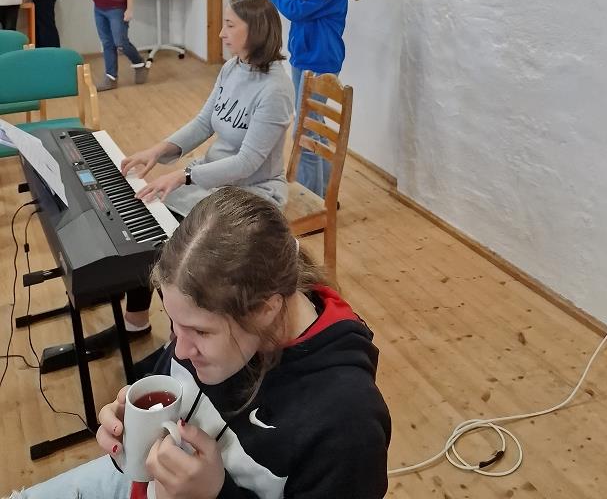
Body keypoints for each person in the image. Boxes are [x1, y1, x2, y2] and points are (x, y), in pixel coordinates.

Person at [4, 187, 391, 499]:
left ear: (266, 310)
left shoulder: (347, 426)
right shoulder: (206, 330)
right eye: (173, 324)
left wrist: (216, 494)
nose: (179, 350)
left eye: (201, 332)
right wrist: (130, 429)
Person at [118, 0, 294, 332]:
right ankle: (135, 321)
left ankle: (184, 333)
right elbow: (204, 123)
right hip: (213, 177)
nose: (221, 33)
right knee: (146, 219)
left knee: (176, 246)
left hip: (252, 191)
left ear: (256, 31)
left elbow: (246, 163)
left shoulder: (275, 90)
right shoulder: (233, 67)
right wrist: (157, 150)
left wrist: (184, 176)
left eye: (229, 25)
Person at [246, 0, 360, 198]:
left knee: (305, 134)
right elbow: (288, 1)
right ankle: (324, 197)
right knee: (313, 131)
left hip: (321, 62)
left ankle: (310, 200)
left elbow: (294, 10)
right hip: (303, 58)